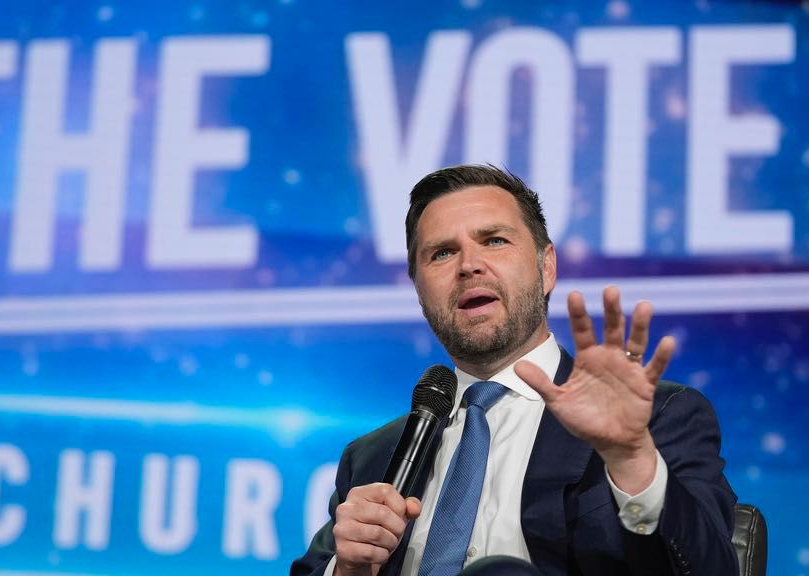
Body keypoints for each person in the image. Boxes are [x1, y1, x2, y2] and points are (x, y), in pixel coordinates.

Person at [292, 165, 738, 575]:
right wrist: (347, 571)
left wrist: (632, 458)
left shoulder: (655, 418)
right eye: (443, 253)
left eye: (494, 241)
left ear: (546, 268)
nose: (469, 265)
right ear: (420, 290)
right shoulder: (372, 458)